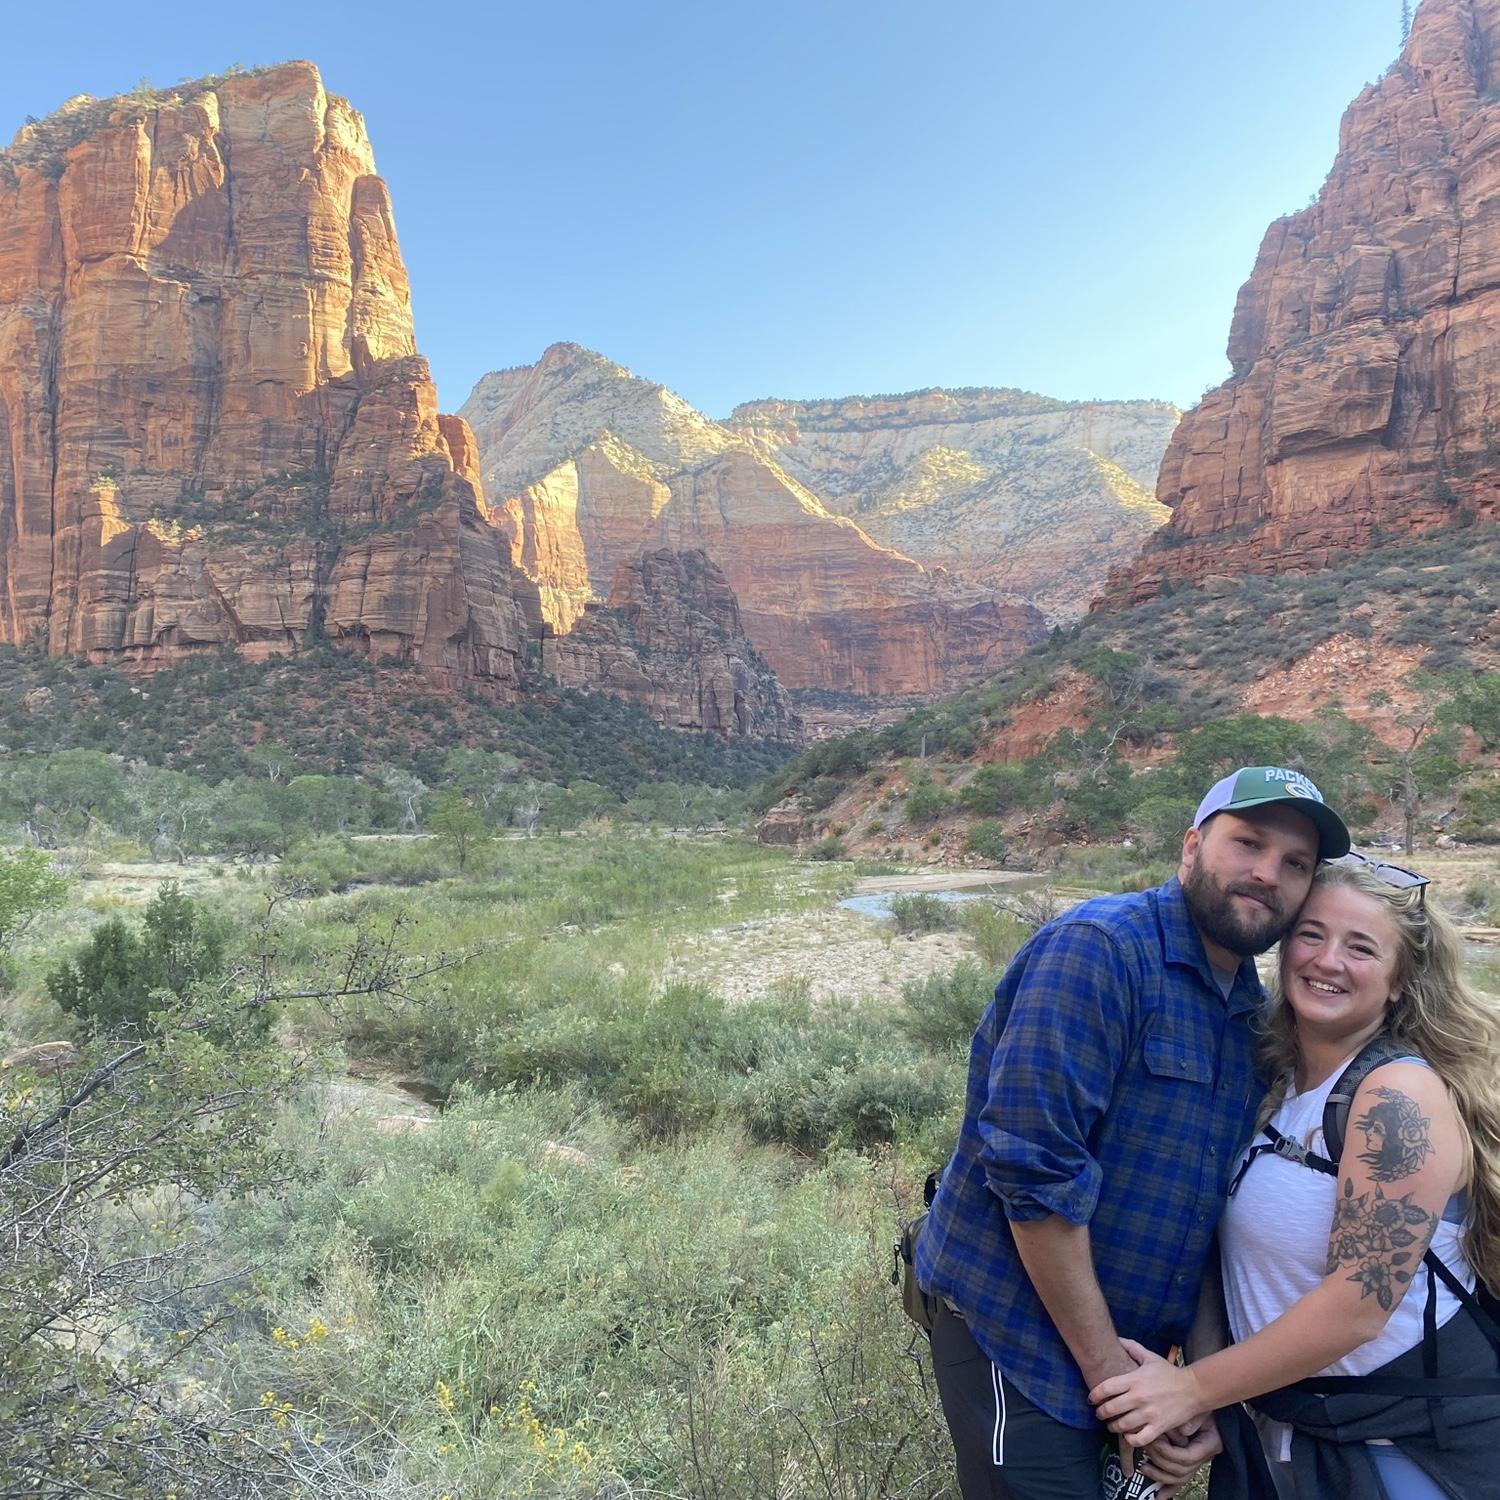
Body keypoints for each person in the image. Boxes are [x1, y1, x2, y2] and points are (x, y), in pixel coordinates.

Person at [915, 766, 1352, 1500]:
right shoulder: (1099, 951)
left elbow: (1210, 1214)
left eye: (1295, 863)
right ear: (1192, 847)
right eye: (1248, 843)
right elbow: (1033, 1175)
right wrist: (1121, 1388)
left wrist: (1195, 1390)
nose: (1267, 874)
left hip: (1135, 1363)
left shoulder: (1250, 1010)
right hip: (1016, 1339)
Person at [1090, 857, 1500, 1498]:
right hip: (1291, 1434)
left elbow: (1357, 1308)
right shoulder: (1274, 1083)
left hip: (1410, 1447)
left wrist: (1190, 1389)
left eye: (1361, 947)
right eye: (1311, 934)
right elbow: (1226, 1262)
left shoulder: (1396, 1096)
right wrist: (1212, 1398)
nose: (1327, 961)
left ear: (1399, 981)